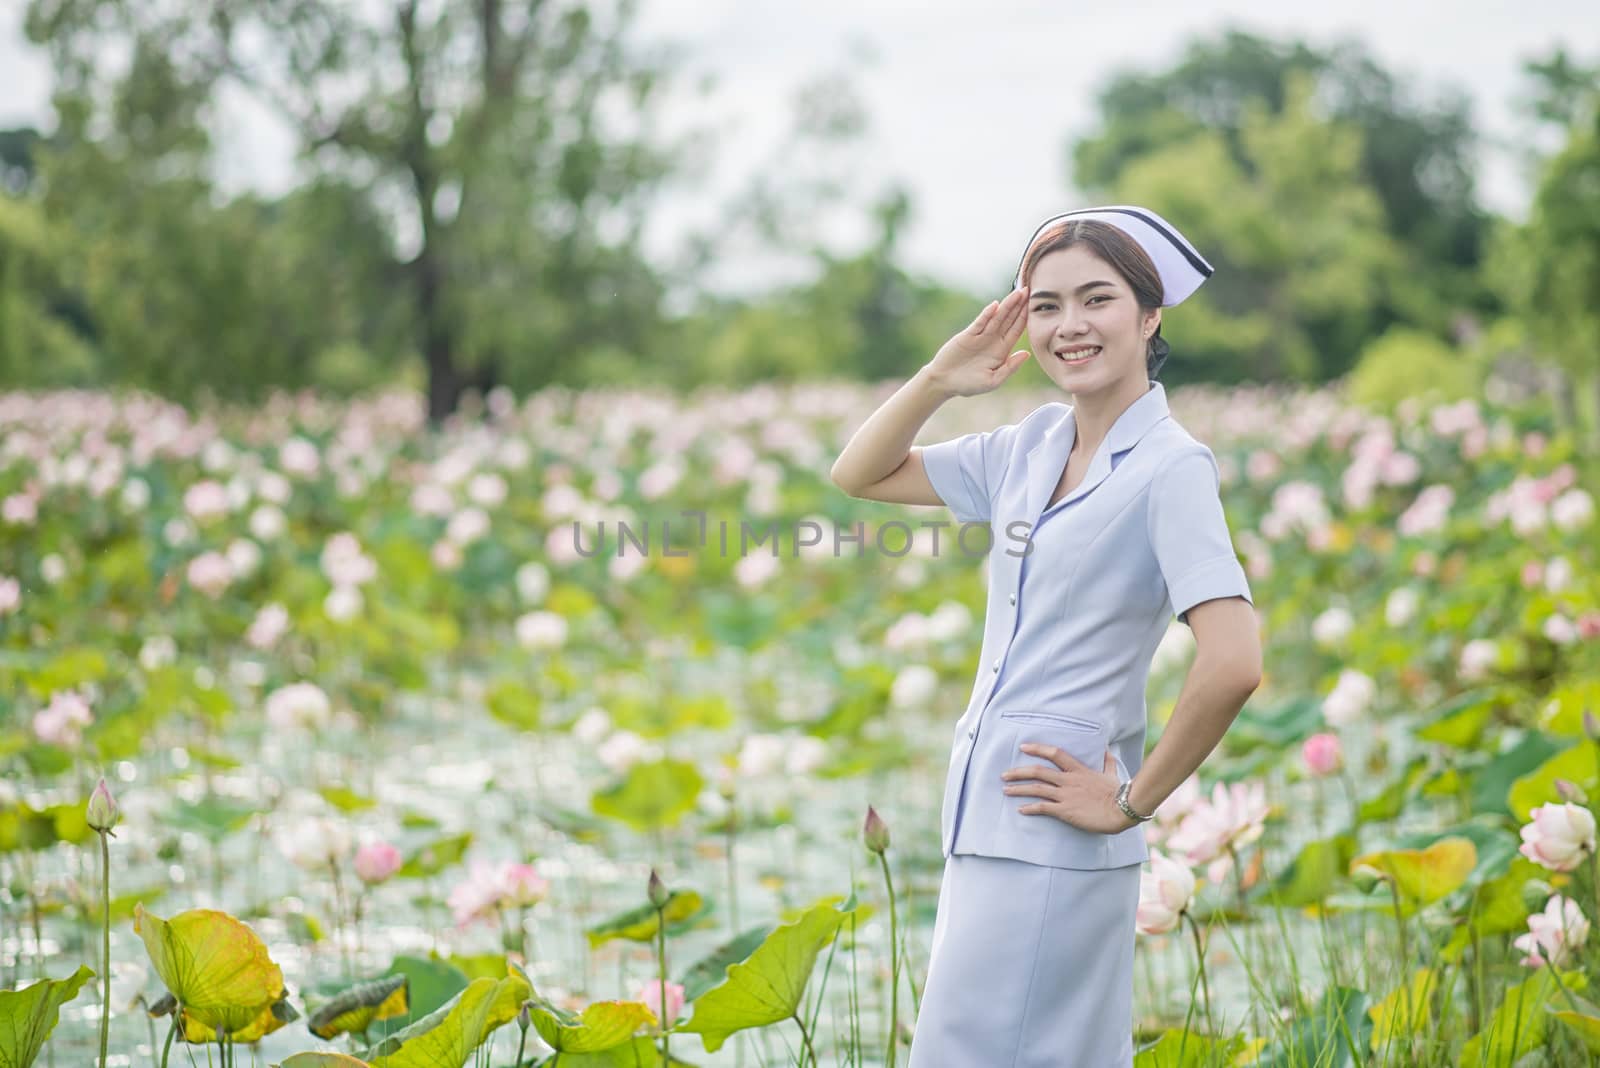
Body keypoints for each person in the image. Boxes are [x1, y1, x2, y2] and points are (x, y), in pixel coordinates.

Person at [829, 205, 1263, 1066]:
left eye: (1096, 299)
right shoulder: (1026, 448)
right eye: (1048, 304)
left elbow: (1234, 662)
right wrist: (940, 379)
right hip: (984, 817)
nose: (1070, 326)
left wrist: (1132, 802)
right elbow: (858, 473)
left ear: (1150, 315)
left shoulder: (1173, 468)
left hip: (1059, 829)